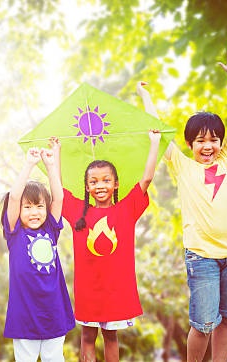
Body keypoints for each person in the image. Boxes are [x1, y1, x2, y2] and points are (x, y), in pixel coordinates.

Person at [139, 44, 227, 362]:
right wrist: (146, 98)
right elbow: (156, 128)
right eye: (200, 140)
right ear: (190, 144)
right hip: (202, 259)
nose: (208, 145)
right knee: (203, 325)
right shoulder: (183, 166)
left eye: (214, 139)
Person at [61, 119, 161, 362]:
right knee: (86, 336)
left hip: (115, 290)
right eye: (93, 182)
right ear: (86, 187)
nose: (100, 185)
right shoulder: (77, 212)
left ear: (116, 184)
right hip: (88, 290)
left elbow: (146, 180)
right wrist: (53, 158)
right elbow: (58, 191)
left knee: (111, 336)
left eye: (106, 180)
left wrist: (154, 143)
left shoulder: (126, 210)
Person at [0, 137, 76, 362]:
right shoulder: (15, 233)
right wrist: (29, 165)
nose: (34, 212)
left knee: (55, 358)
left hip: (54, 310)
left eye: (40, 206)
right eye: (28, 207)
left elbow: (59, 197)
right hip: (25, 314)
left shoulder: (51, 228)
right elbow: (14, 197)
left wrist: (51, 166)